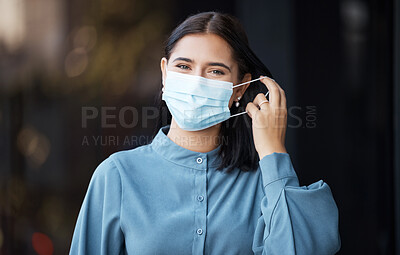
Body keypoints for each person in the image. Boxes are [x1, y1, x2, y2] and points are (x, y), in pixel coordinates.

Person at [69, 11, 341, 255]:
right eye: (184, 67)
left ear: (240, 88)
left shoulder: (266, 184)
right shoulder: (117, 175)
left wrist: (273, 153)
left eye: (215, 71)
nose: (196, 82)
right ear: (165, 73)